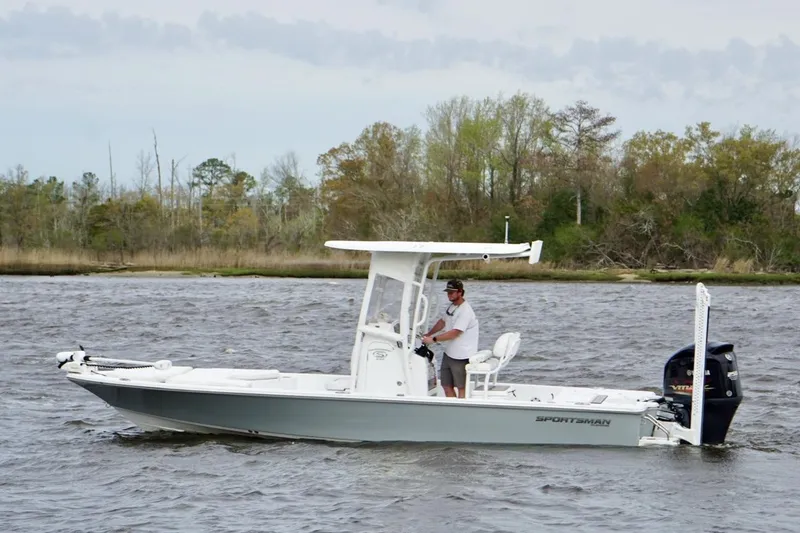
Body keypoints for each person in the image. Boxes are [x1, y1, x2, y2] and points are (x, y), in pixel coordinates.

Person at [421, 279, 479, 398]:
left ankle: (462, 411)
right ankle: (454, 410)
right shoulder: (452, 307)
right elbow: (443, 322)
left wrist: (433, 339)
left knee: (461, 387)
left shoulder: (465, 311)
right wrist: (428, 334)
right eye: (448, 292)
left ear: (460, 292)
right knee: (446, 385)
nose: (449, 295)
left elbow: (455, 333)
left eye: (452, 292)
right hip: (449, 353)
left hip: (461, 355)